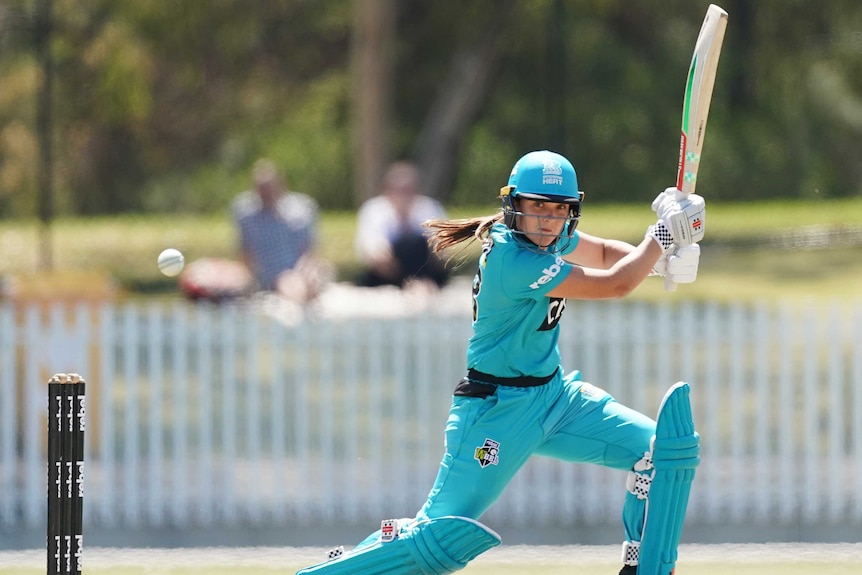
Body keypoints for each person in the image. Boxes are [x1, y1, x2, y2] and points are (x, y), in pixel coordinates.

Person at [296, 150, 705, 575]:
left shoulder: (545, 236)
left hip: (555, 398)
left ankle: (642, 568)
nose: (549, 219)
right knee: (436, 539)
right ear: (514, 206)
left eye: (560, 209)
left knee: (661, 453)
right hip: (495, 413)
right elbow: (616, 283)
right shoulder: (515, 260)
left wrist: (661, 261)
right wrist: (659, 235)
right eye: (538, 207)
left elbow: (603, 254)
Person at [230, 159, 333, 305]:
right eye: (261, 188)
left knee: (305, 279)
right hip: (266, 275)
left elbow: (309, 250)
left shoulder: (301, 209)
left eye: (269, 187)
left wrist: (304, 272)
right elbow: (245, 252)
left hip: (297, 271)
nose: (265, 193)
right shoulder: (246, 213)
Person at [354, 161, 449, 289]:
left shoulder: (429, 208)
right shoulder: (374, 210)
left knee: (415, 242)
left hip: (426, 269)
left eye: (408, 189)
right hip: (388, 272)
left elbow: (442, 251)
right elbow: (375, 253)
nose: (403, 195)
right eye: (398, 189)